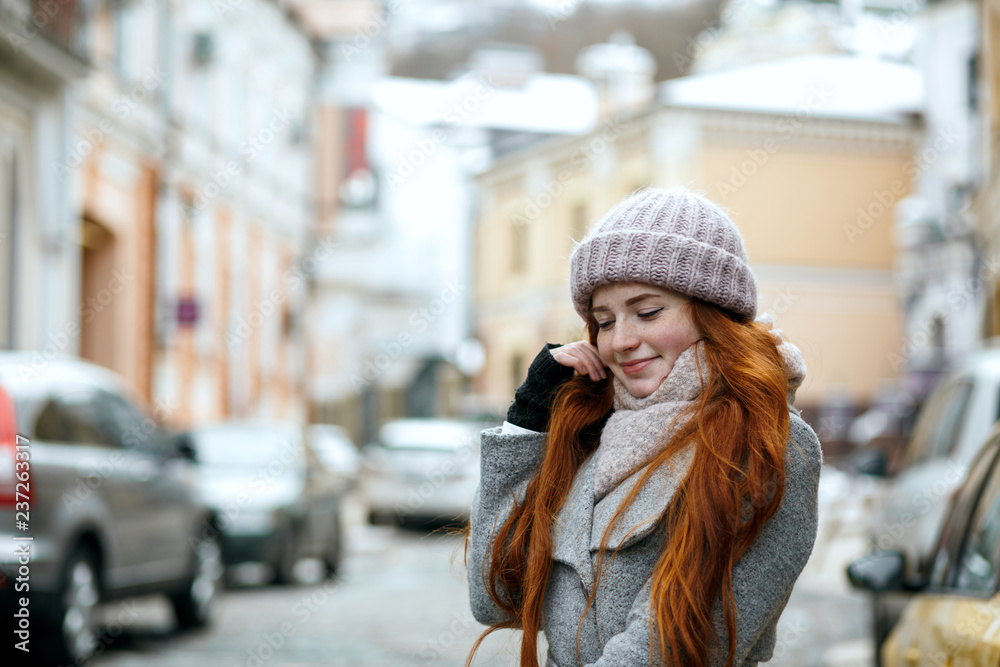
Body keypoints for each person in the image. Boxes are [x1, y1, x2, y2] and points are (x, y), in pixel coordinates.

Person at [465, 186, 822, 667]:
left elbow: (676, 643)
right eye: (604, 321)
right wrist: (527, 425)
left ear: (713, 314)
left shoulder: (770, 442)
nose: (621, 341)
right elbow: (495, 598)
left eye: (647, 312)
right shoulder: (592, 431)